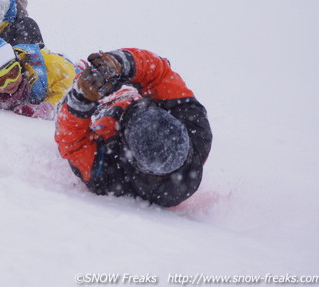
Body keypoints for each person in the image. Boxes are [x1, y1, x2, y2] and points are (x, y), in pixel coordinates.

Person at [55, 48, 213, 207]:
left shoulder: (107, 176)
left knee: (74, 94)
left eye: (128, 119)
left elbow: (72, 142)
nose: (131, 111)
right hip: (132, 91)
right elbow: (159, 73)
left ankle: (78, 75)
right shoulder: (197, 131)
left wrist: (79, 100)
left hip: (101, 110)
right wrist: (122, 63)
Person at [0, 27, 78, 120]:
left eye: (13, 73)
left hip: (66, 67)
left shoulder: (47, 67)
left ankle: (80, 65)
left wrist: (49, 107)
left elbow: (68, 81)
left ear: (20, 66)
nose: (9, 82)